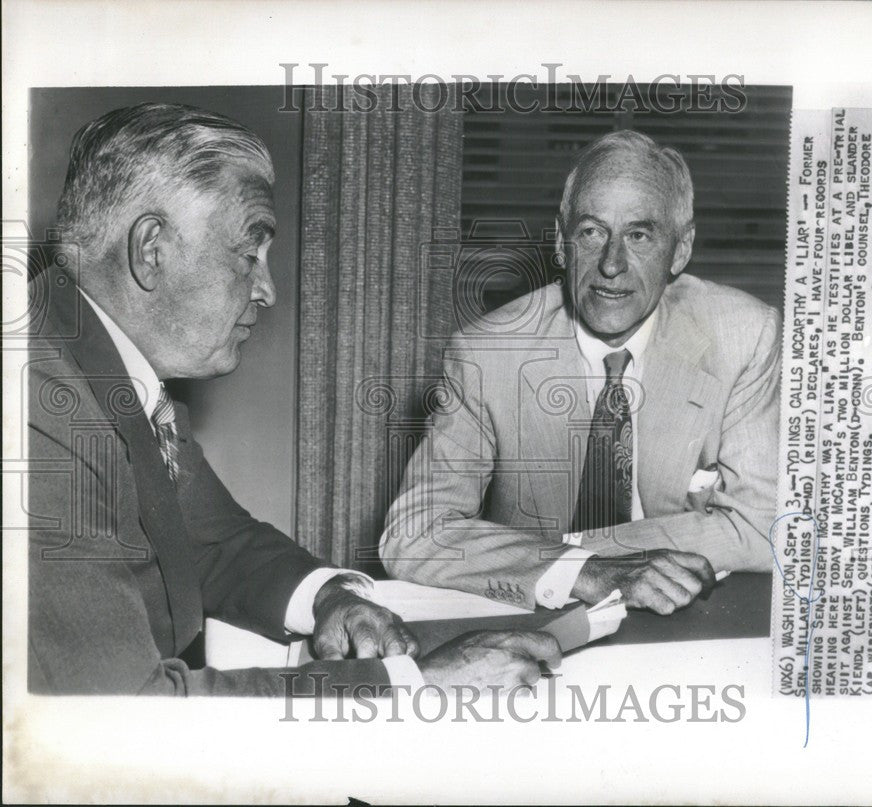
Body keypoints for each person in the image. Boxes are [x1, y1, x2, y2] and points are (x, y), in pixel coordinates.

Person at [28, 102, 559, 695]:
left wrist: (329, 598)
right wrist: (410, 683)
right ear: (151, 249)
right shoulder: (40, 411)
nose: (268, 290)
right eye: (249, 251)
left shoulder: (103, 369)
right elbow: (133, 718)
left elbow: (215, 540)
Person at [381, 130, 780, 615]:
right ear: (560, 243)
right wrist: (583, 572)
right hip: (542, 614)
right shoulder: (489, 352)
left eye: (639, 235)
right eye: (591, 232)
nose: (612, 265)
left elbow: (764, 528)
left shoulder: (743, 335)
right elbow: (414, 531)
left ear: (680, 250)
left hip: (686, 615)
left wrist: (584, 549)